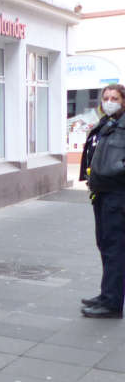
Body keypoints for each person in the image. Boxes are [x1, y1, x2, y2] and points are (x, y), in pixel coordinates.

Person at [79, 84, 125, 319]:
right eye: (106, 97)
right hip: (102, 194)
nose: (109, 101)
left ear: (123, 101)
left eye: (114, 98)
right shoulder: (108, 123)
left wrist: (111, 171)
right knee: (105, 246)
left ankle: (112, 303)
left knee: (115, 249)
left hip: (118, 195)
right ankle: (107, 294)